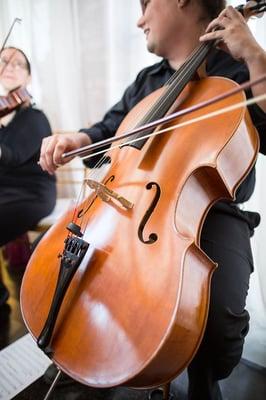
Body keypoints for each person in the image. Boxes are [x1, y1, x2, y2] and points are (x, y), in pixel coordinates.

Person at [39, 1, 266, 399]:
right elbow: (108, 130)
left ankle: (202, 384)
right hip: (130, 207)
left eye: (146, 5)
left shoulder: (237, 72)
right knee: (83, 284)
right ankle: (79, 363)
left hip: (214, 212)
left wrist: (255, 56)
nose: (139, 19)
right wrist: (77, 140)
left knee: (215, 329)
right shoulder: (148, 82)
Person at [0, 47, 56, 305]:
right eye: (3, 62)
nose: (10, 67)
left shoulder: (34, 117)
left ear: (29, 78)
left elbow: (11, 155)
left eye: (18, 64)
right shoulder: (3, 118)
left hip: (32, 194)